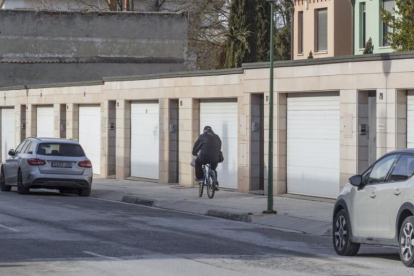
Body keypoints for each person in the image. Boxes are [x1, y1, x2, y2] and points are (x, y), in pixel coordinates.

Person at [192, 126, 222, 190]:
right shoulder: (217, 137)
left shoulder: (202, 136)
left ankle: (200, 178)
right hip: (215, 158)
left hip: (204, 157)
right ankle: (215, 183)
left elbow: (196, 147)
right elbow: (219, 148)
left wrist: (194, 153)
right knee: (213, 169)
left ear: (204, 131)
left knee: (197, 162)